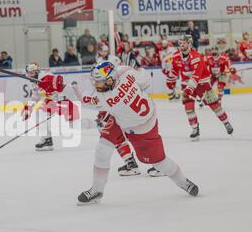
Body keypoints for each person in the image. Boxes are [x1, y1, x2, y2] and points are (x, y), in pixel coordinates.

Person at [71, 61, 200, 204]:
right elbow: (145, 79)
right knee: (102, 149)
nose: (95, 85)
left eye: (98, 82)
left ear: (110, 80)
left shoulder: (105, 98)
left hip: (142, 129)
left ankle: (183, 182)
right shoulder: (126, 73)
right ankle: (97, 190)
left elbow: (85, 100)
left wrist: (75, 89)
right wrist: (132, 71)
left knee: (159, 163)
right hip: (128, 119)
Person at [169, 35, 233, 140]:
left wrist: (189, 88)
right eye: (180, 43)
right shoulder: (176, 56)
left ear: (189, 44)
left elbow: (196, 75)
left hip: (202, 83)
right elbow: (174, 69)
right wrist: (170, 79)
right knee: (188, 107)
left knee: (214, 105)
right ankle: (195, 128)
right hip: (186, 83)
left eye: (184, 43)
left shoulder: (197, 56)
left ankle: (226, 122)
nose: (181, 45)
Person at [22, 62, 78, 151]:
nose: (30, 75)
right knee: (39, 115)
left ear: (37, 72)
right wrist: (29, 108)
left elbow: (62, 86)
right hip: (52, 99)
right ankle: (47, 140)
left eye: (32, 73)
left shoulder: (47, 76)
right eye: (29, 73)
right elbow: (35, 96)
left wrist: (61, 101)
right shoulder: (33, 82)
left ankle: (103, 124)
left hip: (65, 98)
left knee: (74, 122)